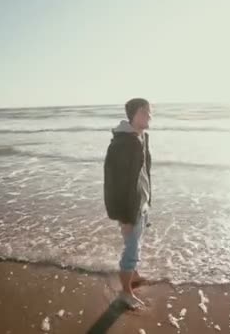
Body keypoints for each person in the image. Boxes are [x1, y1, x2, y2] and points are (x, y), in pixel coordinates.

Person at [104, 98, 152, 309]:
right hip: (129, 208)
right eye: (144, 112)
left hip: (140, 203)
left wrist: (147, 201)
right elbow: (115, 184)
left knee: (135, 243)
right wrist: (124, 216)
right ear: (132, 115)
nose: (149, 115)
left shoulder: (139, 138)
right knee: (132, 250)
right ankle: (126, 292)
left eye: (150, 112)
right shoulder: (123, 144)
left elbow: (142, 175)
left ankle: (133, 276)